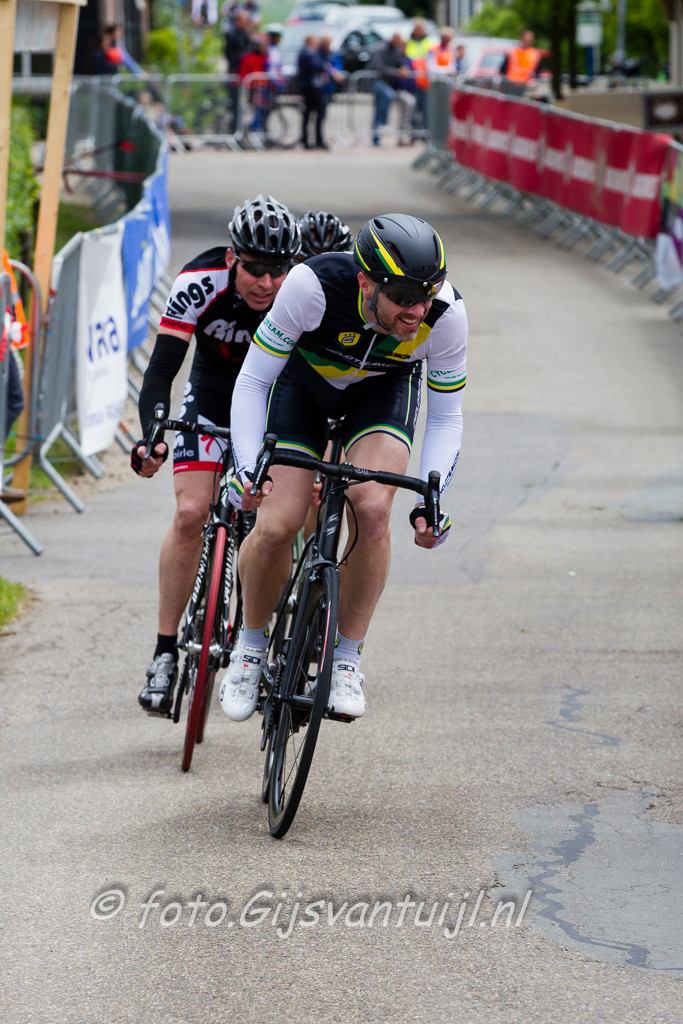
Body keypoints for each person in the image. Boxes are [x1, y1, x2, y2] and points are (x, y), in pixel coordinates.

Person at [219, 213, 467, 723]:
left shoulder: (445, 314)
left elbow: (447, 417)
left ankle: (347, 659)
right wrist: (246, 468)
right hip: (302, 390)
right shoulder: (311, 286)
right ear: (365, 283)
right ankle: (250, 646)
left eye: (427, 293)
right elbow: (253, 382)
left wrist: (432, 498)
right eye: (403, 295)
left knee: (373, 509)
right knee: (278, 524)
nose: (417, 310)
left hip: (381, 393)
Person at [132, 195, 302, 715]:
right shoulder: (198, 281)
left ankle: (262, 646)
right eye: (254, 269)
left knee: (273, 526)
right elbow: (162, 369)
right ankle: (164, 653)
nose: (266, 283)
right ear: (232, 258)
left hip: (273, 408)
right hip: (209, 398)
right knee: (190, 513)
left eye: (277, 271)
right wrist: (152, 436)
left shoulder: (302, 293)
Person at [368, 34, 416, 146]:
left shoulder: (397, 52)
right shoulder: (381, 49)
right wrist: (396, 72)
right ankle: (381, 128)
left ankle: (401, 133)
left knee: (408, 101)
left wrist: (404, 69)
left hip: (391, 86)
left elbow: (401, 65)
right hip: (378, 82)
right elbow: (379, 67)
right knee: (385, 100)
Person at [297, 36, 331, 150]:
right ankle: (314, 140)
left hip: (310, 87)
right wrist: (323, 66)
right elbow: (316, 66)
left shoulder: (308, 53)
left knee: (309, 115)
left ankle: (308, 140)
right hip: (312, 88)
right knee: (315, 114)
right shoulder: (309, 53)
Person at [405, 19, 436, 139]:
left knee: (425, 109)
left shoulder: (429, 43)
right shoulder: (408, 42)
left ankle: (425, 135)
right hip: (411, 81)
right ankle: (413, 134)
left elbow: (431, 60)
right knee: (413, 109)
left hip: (424, 81)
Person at [223, 9, 252, 132]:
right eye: (246, 20)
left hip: (244, 72)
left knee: (241, 103)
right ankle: (234, 130)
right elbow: (228, 53)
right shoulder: (232, 33)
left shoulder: (245, 33)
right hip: (235, 72)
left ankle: (239, 129)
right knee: (234, 102)